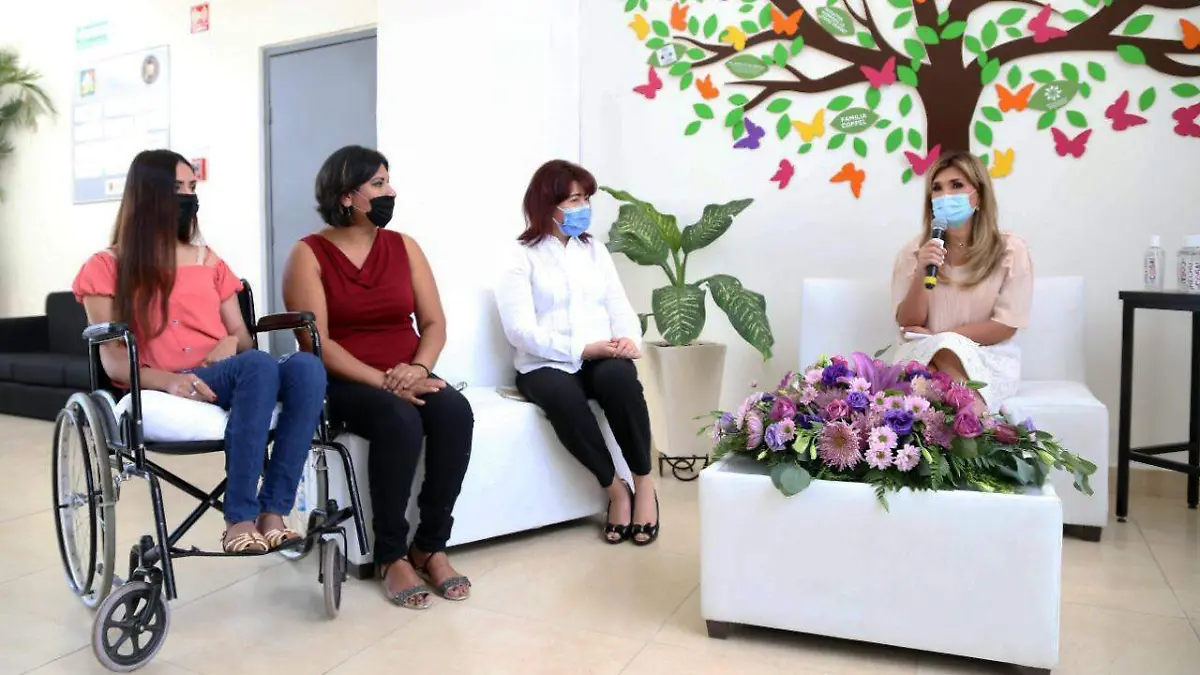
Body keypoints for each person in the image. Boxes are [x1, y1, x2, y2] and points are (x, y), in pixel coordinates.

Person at [72, 149, 327, 554]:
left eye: (192, 187)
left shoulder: (208, 261)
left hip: (225, 373)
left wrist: (231, 342)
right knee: (258, 367)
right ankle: (238, 519)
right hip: (166, 378)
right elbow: (114, 362)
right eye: (177, 188)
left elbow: (242, 337)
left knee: (306, 368)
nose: (188, 197)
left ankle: (273, 512)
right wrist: (171, 382)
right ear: (148, 194)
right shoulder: (106, 266)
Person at [281, 145, 474, 610]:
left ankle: (430, 546)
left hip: (409, 373)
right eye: (379, 184)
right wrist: (383, 380)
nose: (391, 192)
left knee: (455, 412)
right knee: (398, 419)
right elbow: (316, 341)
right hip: (346, 382)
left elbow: (434, 323)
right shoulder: (308, 254)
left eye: (388, 182)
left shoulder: (404, 246)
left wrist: (418, 369)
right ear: (347, 196)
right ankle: (391, 555)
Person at [494, 159, 660, 546]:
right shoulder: (519, 256)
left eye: (586, 198)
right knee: (562, 398)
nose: (583, 207)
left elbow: (618, 305)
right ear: (547, 204)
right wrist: (581, 348)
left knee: (620, 381)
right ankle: (616, 490)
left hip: (600, 355)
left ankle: (644, 485)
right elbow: (520, 330)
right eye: (573, 200)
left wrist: (627, 340)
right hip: (544, 363)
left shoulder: (594, 251)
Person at [891, 150, 1034, 413]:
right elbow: (908, 322)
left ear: (979, 196)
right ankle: (975, 419)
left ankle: (969, 414)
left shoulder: (1010, 250)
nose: (945, 195)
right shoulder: (914, 252)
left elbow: (1006, 325)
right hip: (924, 352)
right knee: (923, 372)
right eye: (937, 188)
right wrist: (922, 270)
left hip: (986, 355)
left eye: (956, 185)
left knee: (942, 355)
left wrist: (944, 339)